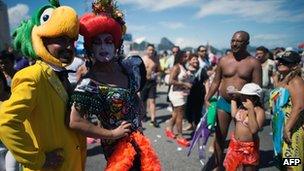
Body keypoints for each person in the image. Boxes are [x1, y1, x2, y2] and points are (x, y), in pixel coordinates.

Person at [68, 1, 161, 170]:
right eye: (97, 42)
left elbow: (134, 93)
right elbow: (75, 122)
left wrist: (138, 107)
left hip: (139, 140)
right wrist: (111, 133)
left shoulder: (127, 68)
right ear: (90, 48)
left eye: (108, 41)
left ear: (116, 45)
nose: (103, 47)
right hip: (118, 150)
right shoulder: (90, 82)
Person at [0, 1, 86, 170]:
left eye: (71, 41)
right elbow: (6, 122)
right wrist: (38, 160)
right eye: (61, 39)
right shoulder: (32, 76)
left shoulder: (61, 75)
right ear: (42, 40)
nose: (68, 47)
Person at [204, 31, 262, 170]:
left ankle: (246, 164)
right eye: (233, 40)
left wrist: (254, 109)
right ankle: (219, 165)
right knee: (219, 136)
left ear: (247, 43)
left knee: (246, 138)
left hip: (243, 105)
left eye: (239, 41)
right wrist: (207, 97)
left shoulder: (253, 63)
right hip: (223, 102)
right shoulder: (223, 60)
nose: (234, 43)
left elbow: (257, 88)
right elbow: (216, 81)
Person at [270, 51, 304, 171]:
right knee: (283, 162)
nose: (280, 63)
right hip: (280, 126)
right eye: (280, 60)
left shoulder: (296, 80)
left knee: (292, 164)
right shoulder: (283, 80)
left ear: (294, 66)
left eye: (285, 62)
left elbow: (299, 106)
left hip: (292, 128)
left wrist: (287, 128)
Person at [223, 83, 265, 171]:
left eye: (246, 97)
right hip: (235, 144)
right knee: (231, 167)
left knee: (248, 168)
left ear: (255, 98)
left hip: (249, 147)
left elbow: (254, 130)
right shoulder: (241, 107)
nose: (242, 99)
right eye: (242, 96)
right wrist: (233, 99)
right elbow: (234, 115)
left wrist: (250, 109)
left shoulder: (259, 111)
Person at [165, 51, 193, 147]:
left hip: (182, 94)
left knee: (176, 114)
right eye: (184, 57)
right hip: (177, 95)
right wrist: (184, 84)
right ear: (180, 57)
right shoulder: (176, 67)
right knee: (180, 116)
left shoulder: (183, 66)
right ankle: (180, 136)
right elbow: (170, 81)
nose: (186, 58)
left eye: (187, 57)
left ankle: (169, 129)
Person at [184, 54, 209, 130]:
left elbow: (206, 82)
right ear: (190, 61)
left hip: (199, 93)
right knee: (188, 110)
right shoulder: (186, 69)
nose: (196, 61)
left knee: (197, 111)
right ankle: (191, 124)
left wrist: (207, 94)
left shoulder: (202, 70)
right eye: (193, 59)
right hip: (189, 93)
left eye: (196, 59)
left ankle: (196, 126)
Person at [141, 44, 160, 127]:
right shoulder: (142, 59)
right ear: (146, 50)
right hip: (143, 82)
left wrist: (156, 74)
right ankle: (144, 115)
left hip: (152, 82)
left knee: (152, 101)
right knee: (143, 101)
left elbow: (159, 70)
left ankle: (153, 119)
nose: (151, 51)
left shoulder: (156, 59)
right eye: (149, 50)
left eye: (152, 50)